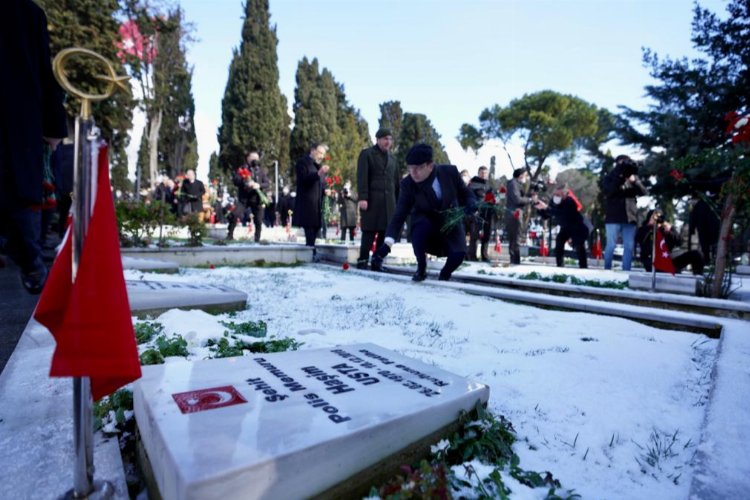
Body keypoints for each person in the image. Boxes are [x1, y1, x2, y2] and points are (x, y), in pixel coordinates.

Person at [0, 0, 68, 294]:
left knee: (15, 198)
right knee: (16, 198)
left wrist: (53, 125)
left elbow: (42, 70)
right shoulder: (27, 13)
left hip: (13, 122)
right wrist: (54, 126)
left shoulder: (26, 14)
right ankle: (30, 261)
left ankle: (30, 259)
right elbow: (43, 71)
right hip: (17, 121)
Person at [371, 143, 476, 282]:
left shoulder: (450, 172)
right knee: (420, 229)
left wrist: (471, 203)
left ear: (430, 166)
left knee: (459, 253)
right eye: (410, 168)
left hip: (449, 218)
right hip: (425, 220)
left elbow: (466, 192)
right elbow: (399, 215)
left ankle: (445, 275)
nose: (413, 173)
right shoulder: (408, 184)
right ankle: (421, 268)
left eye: (418, 168)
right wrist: (387, 244)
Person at [356, 128, 400, 269]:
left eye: (390, 139)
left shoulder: (393, 159)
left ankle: (377, 261)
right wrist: (363, 197)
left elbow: (396, 183)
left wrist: (398, 203)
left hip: (389, 204)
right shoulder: (367, 154)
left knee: (384, 232)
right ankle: (363, 260)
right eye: (385, 138)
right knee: (369, 231)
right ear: (378, 139)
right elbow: (362, 177)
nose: (388, 142)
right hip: (372, 201)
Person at [602, 155, 646, 271]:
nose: (623, 165)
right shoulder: (610, 177)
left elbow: (643, 192)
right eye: (621, 163)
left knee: (629, 246)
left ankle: (626, 271)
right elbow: (610, 191)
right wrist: (619, 177)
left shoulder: (633, 177)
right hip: (613, 217)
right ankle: (607, 269)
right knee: (611, 245)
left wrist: (634, 181)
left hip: (629, 218)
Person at [535, 185, 590, 268]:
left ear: (565, 195)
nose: (556, 197)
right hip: (565, 227)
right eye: (555, 194)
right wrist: (540, 209)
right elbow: (547, 215)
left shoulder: (570, 202)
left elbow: (560, 213)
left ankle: (583, 266)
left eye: (558, 195)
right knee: (559, 242)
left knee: (579, 246)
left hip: (577, 227)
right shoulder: (554, 202)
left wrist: (546, 207)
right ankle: (560, 265)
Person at [637, 209, 704, 275]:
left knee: (696, 254)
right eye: (654, 217)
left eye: (659, 217)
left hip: (668, 260)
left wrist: (670, 231)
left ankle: (698, 277)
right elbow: (639, 239)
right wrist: (650, 226)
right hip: (652, 262)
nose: (657, 220)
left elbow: (679, 242)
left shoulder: (665, 229)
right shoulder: (644, 229)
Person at [293, 143, 329, 260]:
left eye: (323, 154)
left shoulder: (318, 166)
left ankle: (311, 252)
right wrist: (318, 174)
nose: (321, 156)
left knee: (316, 229)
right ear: (312, 150)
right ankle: (310, 254)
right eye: (320, 153)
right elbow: (304, 179)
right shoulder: (302, 162)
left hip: (316, 204)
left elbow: (320, 184)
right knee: (309, 229)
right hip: (306, 203)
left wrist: (326, 190)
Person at [228, 151, 269, 242]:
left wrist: (259, 185)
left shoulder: (261, 170)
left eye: (257, 158)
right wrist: (245, 182)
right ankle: (229, 235)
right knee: (234, 215)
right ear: (248, 158)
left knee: (258, 220)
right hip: (244, 199)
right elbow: (235, 180)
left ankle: (257, 238)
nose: (255, 159)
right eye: (253, 157)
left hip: (257, 199)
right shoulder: (242, 169)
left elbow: (267, 183)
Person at [504, 168, 537, 265]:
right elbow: (517, 200)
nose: (526, 178)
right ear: (521, 175)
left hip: (515, 213)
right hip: (514, 214)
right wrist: (530, 200)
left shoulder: (516, 184)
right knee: (515, 239)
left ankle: (515, 260)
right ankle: (515, 261)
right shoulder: (513, 184)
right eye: (526, 175)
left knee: (515, 239)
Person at [467, 166, 495, 262]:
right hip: (477, 213)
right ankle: (472, 256)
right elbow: (470, 197)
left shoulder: (489, 186)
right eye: (482, 173)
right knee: (475, 235)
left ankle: (484, 255)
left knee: (486, 235)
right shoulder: (473, 184)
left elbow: (492, 198)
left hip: (487, 213)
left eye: (485, 173)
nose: (484, 175)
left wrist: (494, 200)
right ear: (478, 173)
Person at [689, 195, 719, 263]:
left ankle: (707, 261)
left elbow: (692, 218)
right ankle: (714, 261)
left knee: (705, 247)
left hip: (703, 229)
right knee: (714, 245)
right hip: (713, 228)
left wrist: (692, 229)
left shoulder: (697, 206)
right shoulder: (712, 204)